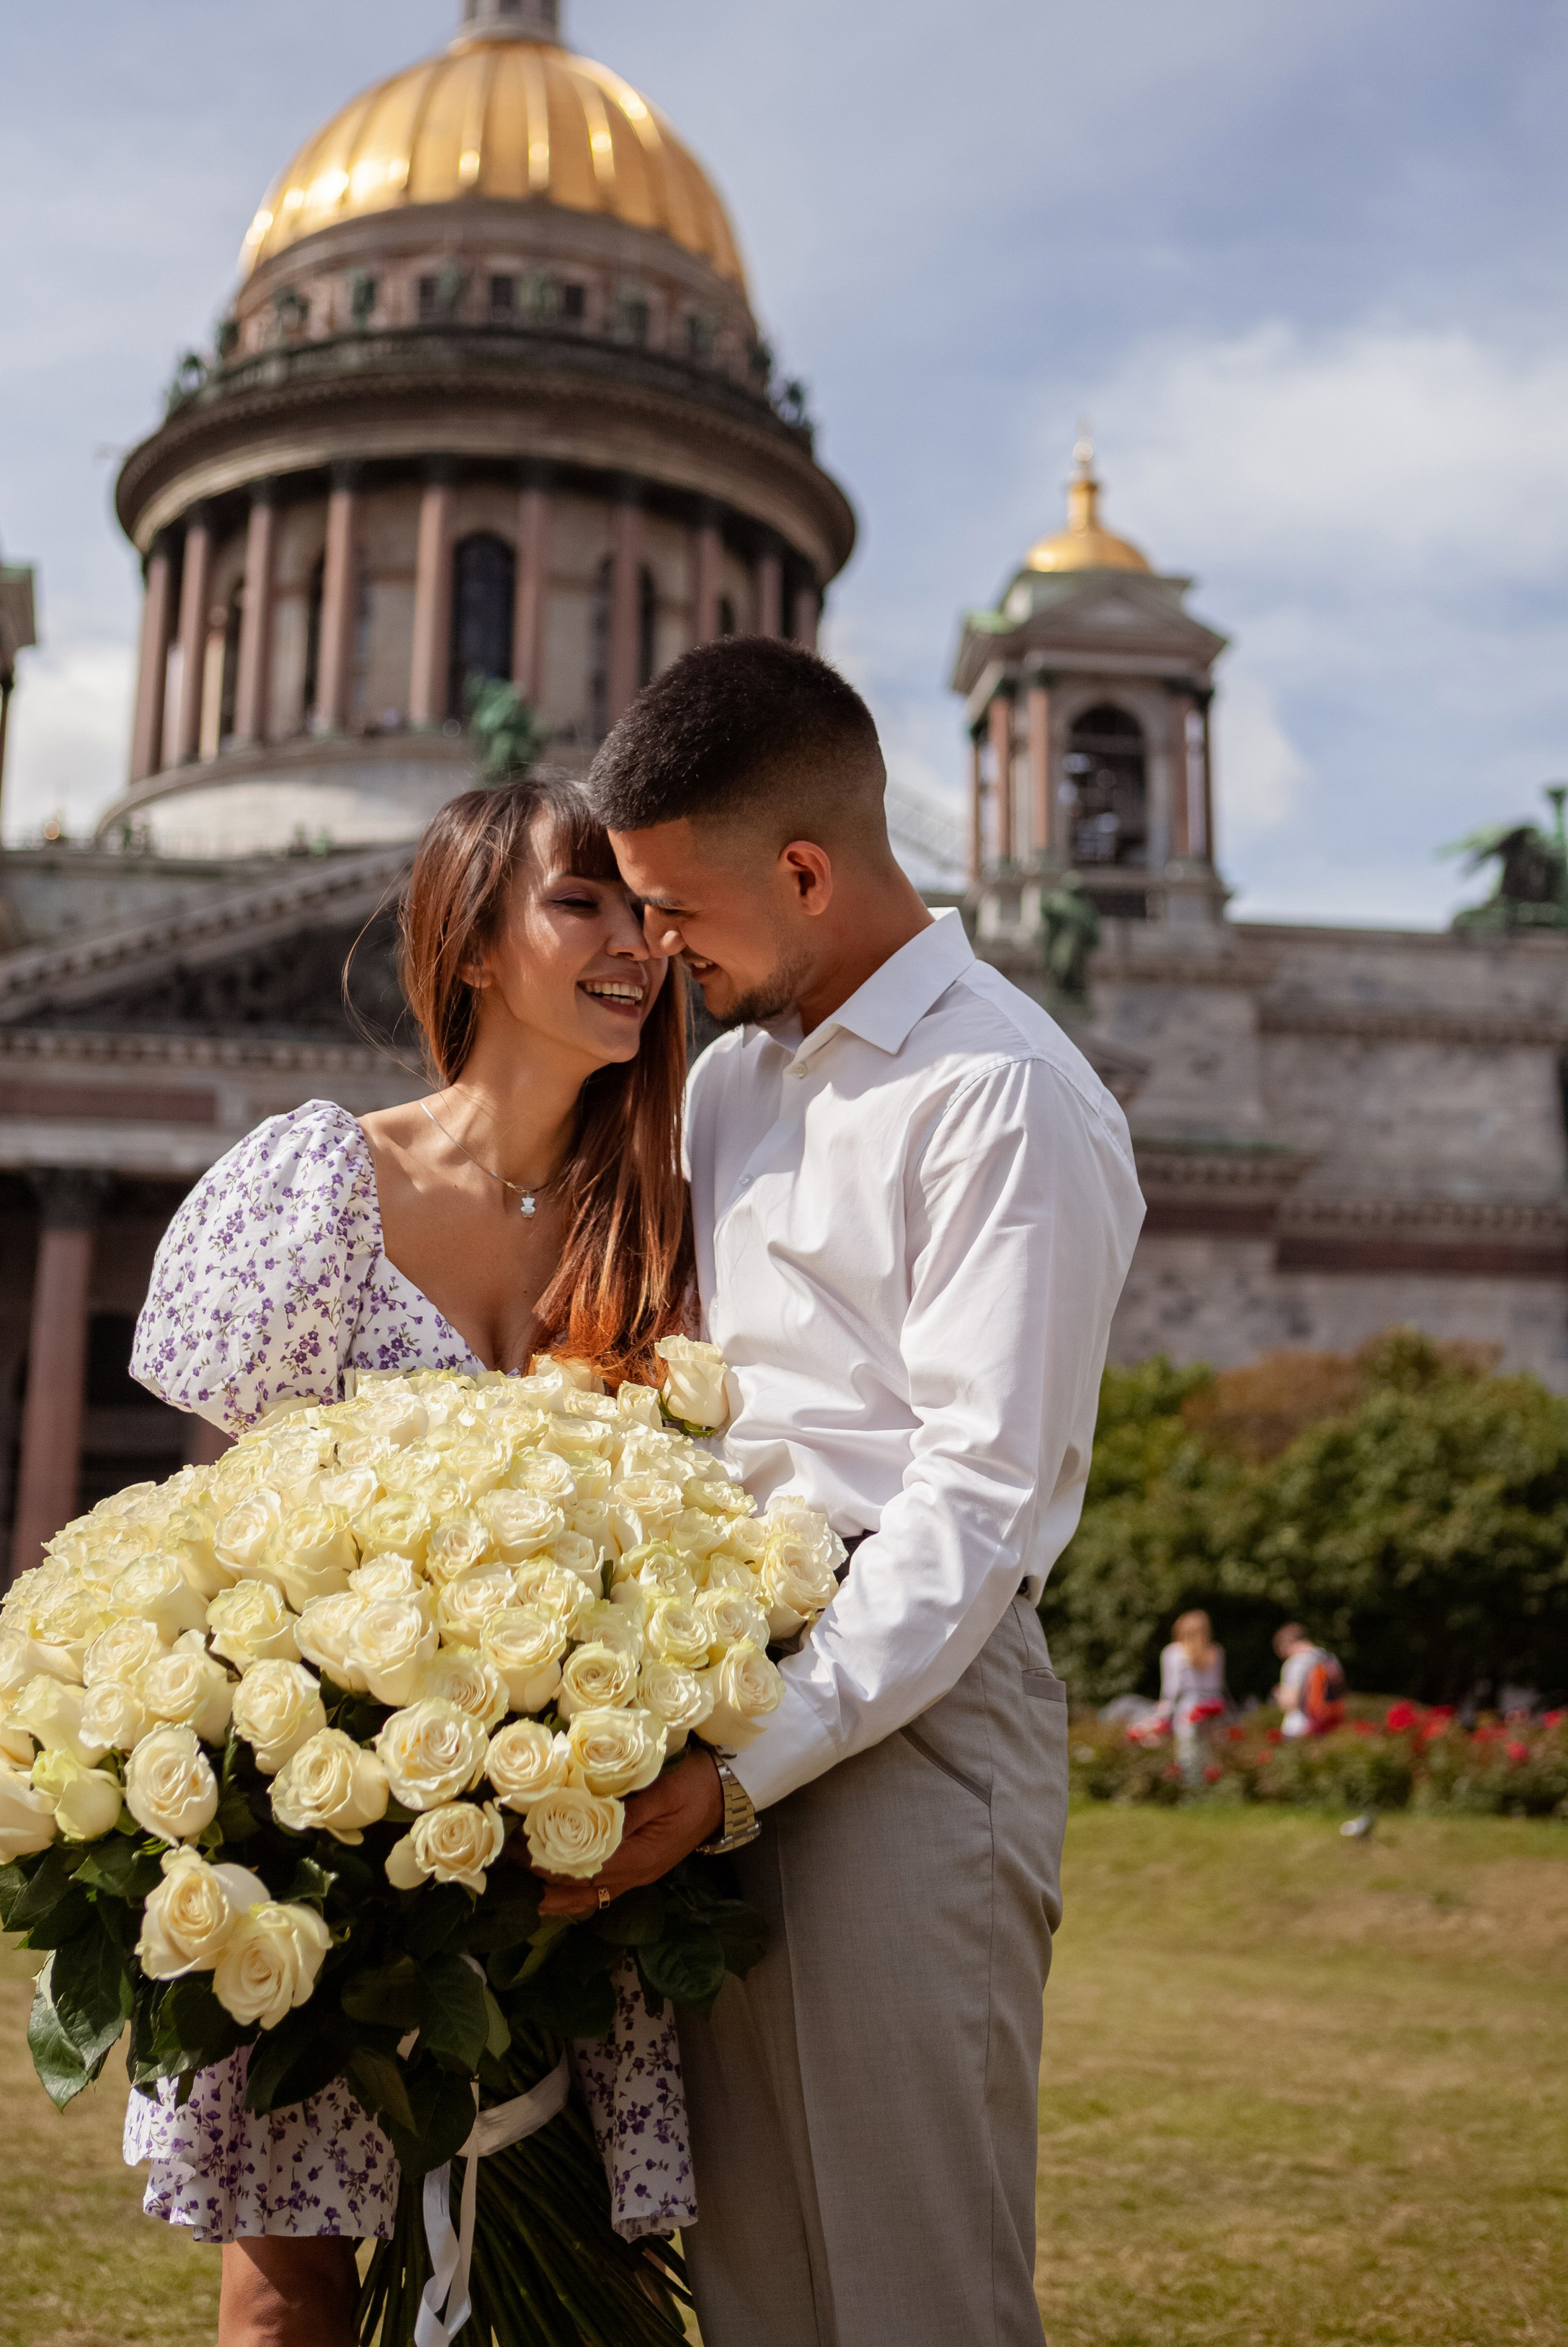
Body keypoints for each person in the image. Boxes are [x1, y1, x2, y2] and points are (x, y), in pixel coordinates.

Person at [574, 636, 1146, 2347]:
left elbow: (975, 1498)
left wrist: (745, 1764)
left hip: (909, 1716)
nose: (651, 951)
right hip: (720, 1702)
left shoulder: (1002, 1093)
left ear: (805, 872)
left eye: (674, 909)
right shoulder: (729, 1082)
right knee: (755, 2291)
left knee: (910, 2291)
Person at [122, 773, 698, 2347]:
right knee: (288, 2290)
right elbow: (222, 1538)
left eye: (646, 907)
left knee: (591, 2294)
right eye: (580, 901)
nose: (636, 941)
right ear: (472, 944)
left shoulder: (666, 1221)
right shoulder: (322, 1186)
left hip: (586, 1852)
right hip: (339, 1834)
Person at [1157, 1609, 1226, 1777]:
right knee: (1210, 1752)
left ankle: (1191, 1784)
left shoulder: (1173, 1652)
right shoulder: (1216, 1651)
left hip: (1187, 1705)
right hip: (1212, 1704)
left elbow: (1172, 1688)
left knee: (1187, 1750)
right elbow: (1218, 1684)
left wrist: (1163, 1712)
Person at [1273, 1621, 1345, 1737]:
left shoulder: (1296, 1662)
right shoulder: (1328, 1657)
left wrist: (1279, 1695)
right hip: (1329, 1727)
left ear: (1286, 1645)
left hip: (1300, 1728)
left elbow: (1290, 1701)